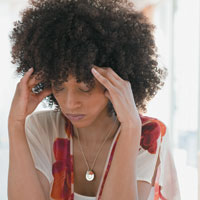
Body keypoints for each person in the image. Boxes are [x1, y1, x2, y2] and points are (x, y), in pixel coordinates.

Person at [7, 0, 180, 199]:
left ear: (114, 82)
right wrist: (15, 124)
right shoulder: (42, 128)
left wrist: (131, 128)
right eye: (59, 86)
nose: (70, 103)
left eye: (85, 88)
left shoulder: (148, 135)